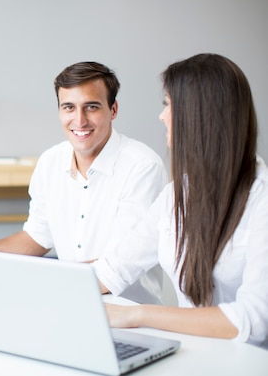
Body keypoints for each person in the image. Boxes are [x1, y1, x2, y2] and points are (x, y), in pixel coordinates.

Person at [94, 53, 268, 348]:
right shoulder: (177, 195)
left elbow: (253, 320)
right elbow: (113, 270)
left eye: (167, 104)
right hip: (195, 356)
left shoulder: (261, 200)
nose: (162, 115)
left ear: (199, 114)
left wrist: (139, 314)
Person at [0, 61, 169, 304]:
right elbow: (37, 237)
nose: (79, 120)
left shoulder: (142, 167)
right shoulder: (51, 161)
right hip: (68, 299)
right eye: (69, 107)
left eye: (91, 107)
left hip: (129, 312)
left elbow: (117, 266)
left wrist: (31, 284)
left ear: (113, 110)